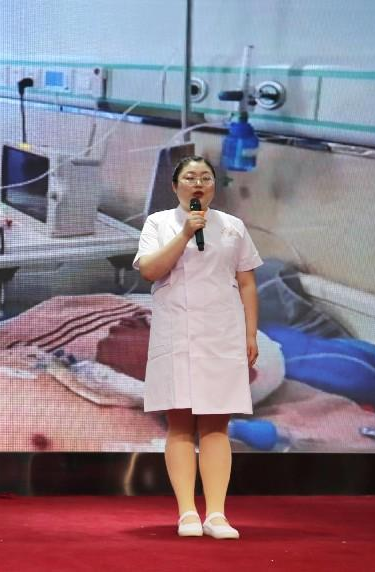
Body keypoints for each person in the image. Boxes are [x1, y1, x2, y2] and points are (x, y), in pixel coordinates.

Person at [133, 155, 262, 540]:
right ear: (176, 187)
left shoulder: (233, 226)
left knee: (216, 424)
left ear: (213, 186)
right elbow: (150, 270)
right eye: (190, 177)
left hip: (221, 332)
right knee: (180, 423)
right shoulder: (159, 223)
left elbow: (247, 283)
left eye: (206, 177)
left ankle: (217, 514)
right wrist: (186, 233)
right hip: (176, 332)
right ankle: (187, 512)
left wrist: (251, 334)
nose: (198, 183)